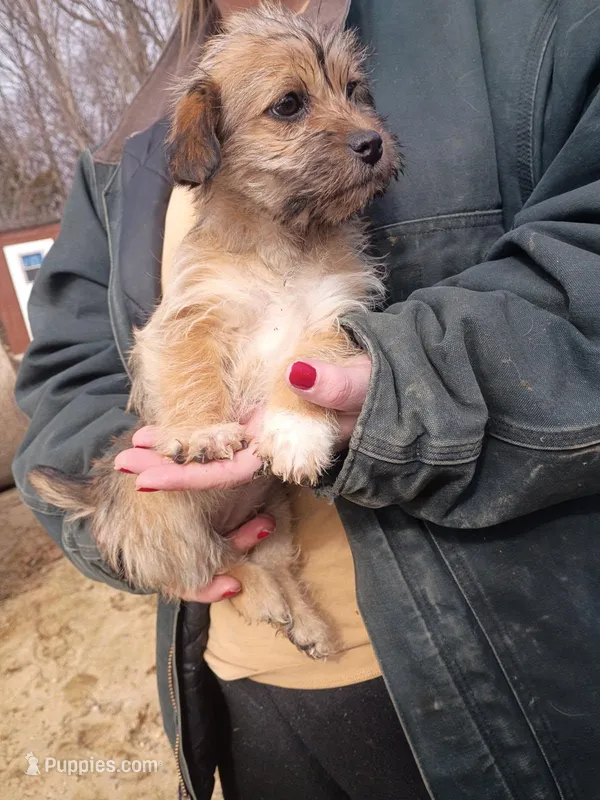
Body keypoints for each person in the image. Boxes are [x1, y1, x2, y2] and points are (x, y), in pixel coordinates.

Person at [13, 0, 600, 797]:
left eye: (357, 92)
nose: (362, 125)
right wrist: (139, 517)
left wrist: (396, 386)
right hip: (241, 685)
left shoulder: (529, 20)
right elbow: (71, 373)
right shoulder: (130, 140)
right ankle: (271, 590)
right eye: (291, 106)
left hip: (495, 677)